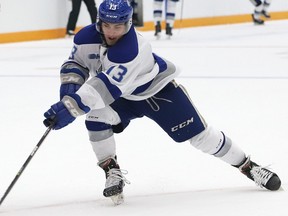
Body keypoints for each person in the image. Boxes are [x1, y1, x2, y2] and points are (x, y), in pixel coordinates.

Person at [43, 0, 281, 205]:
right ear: (99, 23)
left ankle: (249, 166)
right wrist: (70, 87)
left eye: (118, 26)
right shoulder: (86, 37)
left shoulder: (131, 49)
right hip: (125, 98)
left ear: (128, 24)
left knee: (201, 137)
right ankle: (111, 170)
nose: (112, 32)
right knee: (96, 118)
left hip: (157, 92)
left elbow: (103, 89)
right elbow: (76, 63)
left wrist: (70, 107)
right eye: (107, 25)